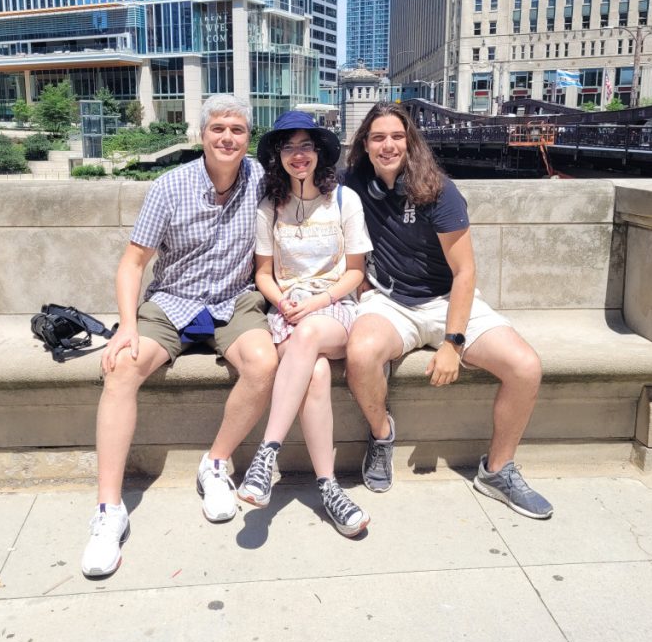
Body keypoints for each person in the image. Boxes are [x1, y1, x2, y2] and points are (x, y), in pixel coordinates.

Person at [81, 94, 278, 578]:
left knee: (263, 363)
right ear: (202, 134)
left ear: (247, 137)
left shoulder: (262, 181)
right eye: (218, 129)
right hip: (172, 300)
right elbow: (133, 263)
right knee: (121, 368)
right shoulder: (169, 187)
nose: (227, 137)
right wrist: (126, 325)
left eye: (236, 129)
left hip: (234, 300)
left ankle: (216, 464)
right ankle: (109, 511)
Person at [342, 102, 553, 520]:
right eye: (378, 137)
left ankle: (497, 470)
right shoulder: (352, 183)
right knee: (360, 355)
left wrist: (453, 344)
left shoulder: (438, 188)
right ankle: (382, 436)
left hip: (447, 301)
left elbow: (464, 271)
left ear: (410, 142)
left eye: (397, 137)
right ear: (365, 145)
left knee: (525, 366)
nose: (388, 145)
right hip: (389, 301)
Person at [236, 112, 373, 537]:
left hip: (334, 308)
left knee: (312, 334)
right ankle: (329, 487)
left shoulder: (345, 201)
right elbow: (263, 274)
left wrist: (318, 300)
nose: (299, 155)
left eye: (306, 146)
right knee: (313, 373)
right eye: (290, 147)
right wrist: (283, 301)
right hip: (288, 311)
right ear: (278, 155)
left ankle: (267, 453)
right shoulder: (268, 208)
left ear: (319, 154)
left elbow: (355, 271)